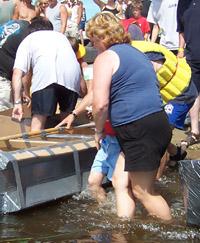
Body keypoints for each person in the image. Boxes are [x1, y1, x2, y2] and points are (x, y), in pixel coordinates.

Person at [86, 12, 172, 221]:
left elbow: (100, 104)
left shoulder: (105, 57)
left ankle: (174, 230)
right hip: (156, 122)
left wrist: (98, 131)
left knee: (144, 191)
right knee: (119, 181)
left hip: (138, 127)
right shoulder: (137, 53)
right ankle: (123, 230)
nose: (93, 44)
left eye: (94, 40)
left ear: (103, 37)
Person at [12, 16, 81, 132]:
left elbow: (17, 74)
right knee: (66, 123)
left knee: (37, 125)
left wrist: (17, 102)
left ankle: (36, 146)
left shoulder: (29, 39)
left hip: (47, 77)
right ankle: (67, 146)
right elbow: (79, 72)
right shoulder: (62, 37)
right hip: (73, 77)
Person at [177, 0, 200, 147]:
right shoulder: (183, 3)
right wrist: (180, 49)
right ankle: (195, 131)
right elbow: (182, 28)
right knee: (193, 93)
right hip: (192, 56)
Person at [0, 19, 29, 112]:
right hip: (3, 75)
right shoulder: (28, 35)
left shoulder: (17, 23)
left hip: (5, 70)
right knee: (5, 111)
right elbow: (25, 70)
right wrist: (26, 93)